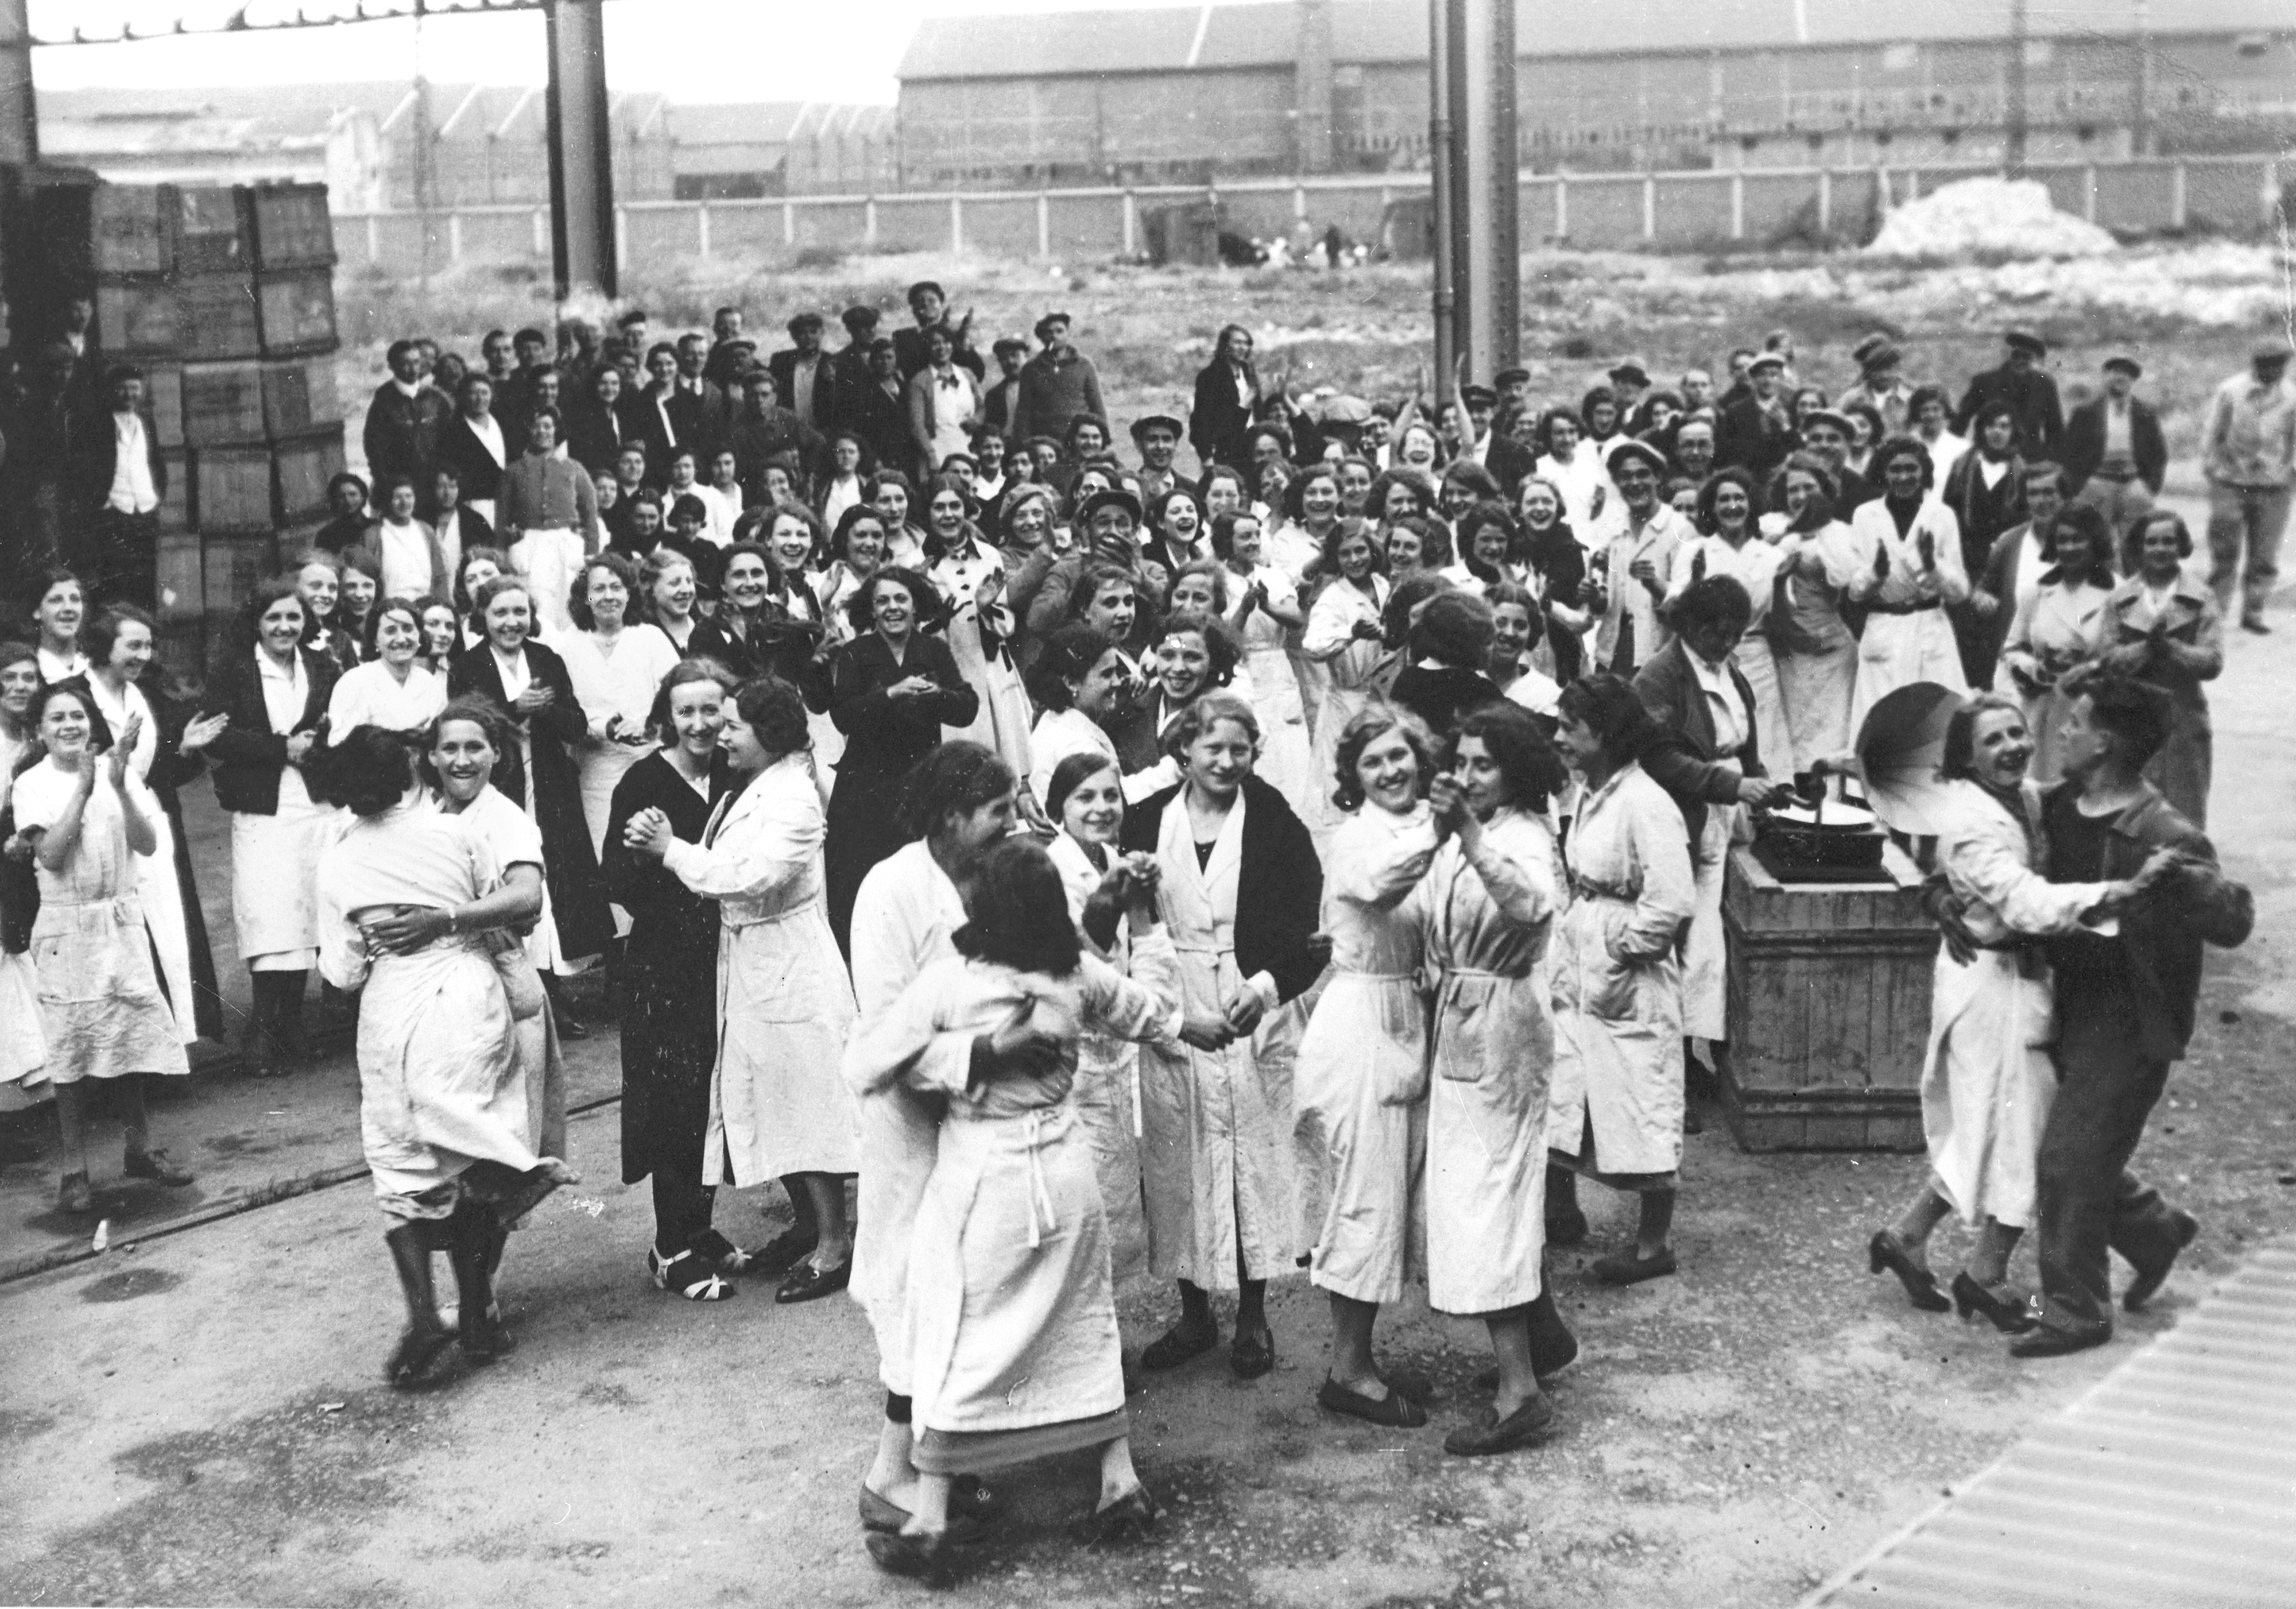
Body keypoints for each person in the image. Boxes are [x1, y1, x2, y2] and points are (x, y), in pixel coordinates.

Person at [846, 837, 1175, 1581]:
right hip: (1066, 1172)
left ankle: (929, 1516)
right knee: (1086, 1319)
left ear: (978, 906)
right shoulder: (1073, 973)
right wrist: (1199, 1019)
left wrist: (976, 1052)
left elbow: (865, 1063)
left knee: (955, 1329)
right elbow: (1148, 1011)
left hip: (987, 1179)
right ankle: (1118, 1481)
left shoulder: (947, 986)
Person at [1867, 695, 2152, 1330]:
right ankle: (1986, 1274)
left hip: (2007, 977)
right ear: (1965, 760)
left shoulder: (2017, 796)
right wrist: (2117, 894)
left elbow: (2047, 797)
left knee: (1985, 1125)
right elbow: (2024, 905)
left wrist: (1936, 890)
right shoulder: (1970, 820)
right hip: (1990, 985)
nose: (2012, 747)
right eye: (1992, 741)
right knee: (2027, 1132)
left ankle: (1907, 1237)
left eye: (2017, 733)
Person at [315, 726, 576, 1386]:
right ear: (409, 772)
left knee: (400, 1155)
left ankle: (426, 1313)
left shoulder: (338, 857)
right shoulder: (455, 834)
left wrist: (378, 939)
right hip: (467, 996)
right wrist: (449, 916)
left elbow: (342, 971)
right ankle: (480, 1312)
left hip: (394, 1004)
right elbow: (511, 915)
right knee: (468, 1152)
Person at [2005, 673, 2252, 1357]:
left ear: (2104, 743)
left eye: (2074, 722)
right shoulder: (2054, 806)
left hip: (2129, 1020)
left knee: (2066, 1158)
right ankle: (2155, 1229)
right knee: (2070, 1147)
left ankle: (2076, 1308)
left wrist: (2191, 886)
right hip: (2064, 1003)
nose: (2060, 730)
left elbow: (2234, 921)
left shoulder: (2165, 832)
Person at [623, 674, 861, 1303]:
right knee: (775, 1098)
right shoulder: (755, 785)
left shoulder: (796, 797)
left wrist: (669, 848)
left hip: (787, 962)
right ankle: (810, 1229)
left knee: (809, 1102)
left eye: (732, 725)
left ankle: (834, 1246)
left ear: (769, 733)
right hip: (752, 961)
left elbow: (752, 876)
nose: (720, 735)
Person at [1123, 693, 1324, 1382]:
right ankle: (1193, 1311)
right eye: (1214, 748)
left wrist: (1265, 985)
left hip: (1248, 1000)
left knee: (1252, 1155)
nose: (1228, 760)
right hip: (1172, 999)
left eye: (1240, 748)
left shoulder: (1272, 821)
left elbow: (1308, 926)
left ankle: (1254, 1314)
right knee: (1178, 1156)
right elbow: (1120, 915)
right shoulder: (1147, 819)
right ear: (1183, 750)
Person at [844, 741, 1017, 1541]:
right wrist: (980, 1057)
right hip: (912, 1120)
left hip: (978, 1117)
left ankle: (947, 1461)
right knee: (914, 1292)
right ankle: (890, 1476)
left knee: (966, 1291)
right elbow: (887, 1035)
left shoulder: (993, 879)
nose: (1010, 826)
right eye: (998, 813)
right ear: (952, 815)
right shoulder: (890, 890)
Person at [1420, 701, 1575, 1453]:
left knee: (1489, 1197)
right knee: (1489, 1189)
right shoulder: (1472, 835)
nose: (1468, 775)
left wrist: (1472, 836)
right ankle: (1540, 1342)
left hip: (1503, 1022)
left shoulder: (1521, 837)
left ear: (1515, 770)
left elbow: (1530, 903)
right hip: (1468, 1013)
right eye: (1463, 761)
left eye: (1484, 764)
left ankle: (1520, 1391)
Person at [602, 658, 769, 1301]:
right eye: (687, 712)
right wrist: (674, 872)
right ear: (666, 718)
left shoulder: (736, 773)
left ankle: (698, 1228)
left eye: (713, 711)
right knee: (673, 1097)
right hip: (666, 965)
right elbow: (616, 877)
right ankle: (669, 1245)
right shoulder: (644, 779)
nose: (701, 724)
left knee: (715, 1095)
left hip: (729, 955)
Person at [1295, 705, 1439, 1428]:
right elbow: (1382, 885)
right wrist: (1451, 827)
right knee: (1363, 1194)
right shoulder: (1352, 838)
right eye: (1374, 762)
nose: (1390, 770)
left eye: (1400, 755)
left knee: (1391, 1192)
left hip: (1405, 1016)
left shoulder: (1425, 830)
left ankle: (1359, 1357)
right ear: (1353, 777)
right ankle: (1347, 1369)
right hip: (1358, 1023)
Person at [13, 680, 196, 1213]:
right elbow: (49, 853)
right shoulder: (32, 783)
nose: (70, 726)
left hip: (121, 920)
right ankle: (75, 1169)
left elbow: (147, 843)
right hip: (67, 930)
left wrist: (116, 785)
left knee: (130, 1036)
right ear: (40, 732)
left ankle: (139, 1147)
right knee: (71, 1051)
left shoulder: (120, 772)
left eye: (78, 716)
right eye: (57, 719)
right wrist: (84, 787)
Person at [1546, 677, 1698, 1283]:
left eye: (1568, 726)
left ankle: (1652, 1242)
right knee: (1570, 1083)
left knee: (1643, 1093)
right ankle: (1563, 1208)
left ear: (1603, 733)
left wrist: (1620, 945)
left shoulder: (1646, 801)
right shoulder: (1590, 791)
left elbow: (1670, 901)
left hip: (1626, 970)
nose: (1558, 737)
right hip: (1585, 952)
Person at [1633, 577, 1785, 1062]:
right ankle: (1674, 1060)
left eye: (1735, 634)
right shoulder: (1660, 677)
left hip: (1725, 813)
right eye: (1715, 633)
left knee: (1713, 942)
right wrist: (1733, 786)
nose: (1725, 643)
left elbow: (1747, 741)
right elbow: (1660, 757)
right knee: (1687, 941)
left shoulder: (1729, 671)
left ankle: (1708, 1051)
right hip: (1684, 815)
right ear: (1690, 626)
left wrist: (1759, 784)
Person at [446, 576, 616, 993]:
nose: (511, 622)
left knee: (554, 880)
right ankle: (515, 986)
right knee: (505, 876)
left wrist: (545, 710)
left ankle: (553, 992)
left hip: (549, 784)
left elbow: (576, 725)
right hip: (499, 786)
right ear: (483, 617)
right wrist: (512, 709)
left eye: (520, 612)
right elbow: (464, 726)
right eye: (501, 612)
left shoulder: (545, 657)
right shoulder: (468, 666)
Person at [200, 578, 342, 1076]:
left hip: (317, 806)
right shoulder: (236, 671)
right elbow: (217, 737)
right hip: (263, 808)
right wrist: (282, 748)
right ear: (257, 624)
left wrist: (317, 745)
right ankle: (262, 1025)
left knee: (308, 910)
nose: (285, 627)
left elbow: (338, 729)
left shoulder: (324, 666)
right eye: (274, 618)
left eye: (293, 617)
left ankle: (292, 1025)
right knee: (268, 912)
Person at [78, 605, 225, 1046]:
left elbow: (152, 772)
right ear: (105, 646)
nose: (144, 655)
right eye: (133, 645)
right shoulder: (79, 696)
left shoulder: (138, 696)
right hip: (98, 824)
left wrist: (180, 748)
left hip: (144, 819)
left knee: (160, 931)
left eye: (148, 645)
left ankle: (163, 1042)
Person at [820, 566, 981, 951]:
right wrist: (890, 695)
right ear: (870, 610)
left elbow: (966, 707)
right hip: (865, 786)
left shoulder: (934, 649)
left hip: (920, 782)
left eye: (900, 599)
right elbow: (842, 714)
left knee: (920, 879)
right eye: (882, 601)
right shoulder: (856, 652)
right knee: (859, 879)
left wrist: (936, 696)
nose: (892, 608)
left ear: (916, 605)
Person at [2101, 511, 2222, 828]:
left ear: (2181, 546)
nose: (2160, 549)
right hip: (2130, 716)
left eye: (2169, 541)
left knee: (2186, 812)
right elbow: (2107, 657)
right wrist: (2145, 648)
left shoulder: (2200, 596)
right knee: (2131, 813)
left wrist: (2173, 649)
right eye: (2151, 542)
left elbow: (2212, 661)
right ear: (2139, 548)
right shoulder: (2120, 599)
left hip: (2183, 713)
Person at [1845, 437, 1971, 737]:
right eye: (1895, 469)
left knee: (1937, 724)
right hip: (1884, 627)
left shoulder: (1941, 515)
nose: (1903, 477)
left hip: (1930, 626)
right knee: (1881, 725)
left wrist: (1932, 566)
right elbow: (1854, 591)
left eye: (1911, 469)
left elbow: (1960, 592)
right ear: (1883, 473)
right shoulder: (1865, 515)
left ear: (1924, 471)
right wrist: (1876, 574)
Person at [559, 553, 681, 861]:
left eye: (617, 587)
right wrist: (604, 728)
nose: (609, 596)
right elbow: (562, 713)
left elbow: (679, 700)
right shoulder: (567, 646)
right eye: (599, 589)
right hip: (596, 773)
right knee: (608, 858)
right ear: (585, 596)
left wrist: (650, 726)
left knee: (654, 855)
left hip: (651, 763)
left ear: (629, 593)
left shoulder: (651, 638)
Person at [1996, 504, 2115, 787]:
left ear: (2095, 543)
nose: (2069, 547)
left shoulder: (2116, 594)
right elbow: (2012, 647)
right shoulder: (2035, 593)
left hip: (2093, 708)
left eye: (2078, 539)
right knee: (2041, 785)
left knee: (2087, 785)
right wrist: (2031, 669)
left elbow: (2122, 654)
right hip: (2042, 708)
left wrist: (2091, 670)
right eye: (2062, 540)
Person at [1209, 508, 1311, 809]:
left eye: (1256, 535)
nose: (1254, 542)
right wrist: (1244, 608)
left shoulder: (1272, 576)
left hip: (1278, 668)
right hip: (1240, 669)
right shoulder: (1217, 581)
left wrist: (1266, 606)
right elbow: (1223, 640)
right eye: (1245, 537)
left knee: (1290, 755)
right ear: (1228, 542)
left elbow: (1295, 618)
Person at [2198, 335, 2294, 634]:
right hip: (2231, 482)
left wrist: (2290, 472)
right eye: (2265, 365)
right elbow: (2212, 433)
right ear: (2254, 364)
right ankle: (2215, 614)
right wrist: (2213, 469)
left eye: (2278, 365)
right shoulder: (2231, 391)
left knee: (2265, 555)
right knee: (2224, 550)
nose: (2271, 371)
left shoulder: (2292, 398)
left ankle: (2254, 612)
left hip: (2273, 486)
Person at [1299, 520, 1391, 829]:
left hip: (1386, 698)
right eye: (1345, 554)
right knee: (1345, 784)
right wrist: (1350, 635)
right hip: (1348, 702)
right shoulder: (1333, 597)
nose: (1354, 560)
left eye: (1360, 551)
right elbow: (1312, 645)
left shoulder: (1384, 585)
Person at [1941, 402, 2030, 685]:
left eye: (2004, 426)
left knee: (1998, 636)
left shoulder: (2021, 471)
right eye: (1991, 426)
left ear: (2013, 431)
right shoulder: (1963, 466)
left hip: (2004, 564)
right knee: (1965, 636)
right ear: (1981, 430)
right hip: (1966, 562)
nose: (1997, 433)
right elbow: (1949, 516)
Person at [67, 364, 166, 608]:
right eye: (122, 389)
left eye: (134, 388)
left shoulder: (146, 422)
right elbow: (83, 468)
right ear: (112, 391)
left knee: (144, 576)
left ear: (142, 391)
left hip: (144, 510)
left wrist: (157, 493)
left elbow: (155, 462)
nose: (129, 394)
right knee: (114, 576)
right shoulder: (97, 424)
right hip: (112, 509)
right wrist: (97, 499)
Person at [1588, 439, 1690, 676]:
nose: (1634, 483)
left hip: (1659, 650)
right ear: (1616, 482)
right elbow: (1604, 601)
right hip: (1613, 649)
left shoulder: (1679, 529)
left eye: (1643, 474)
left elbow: (1686, 599)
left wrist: (1655, 585)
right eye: (1625, 476)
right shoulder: (1612, 529)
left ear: (1658, 478)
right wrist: (1596, 597)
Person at [2062, 356, 2166, 543]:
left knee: (2137, 545)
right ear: (2105, 376)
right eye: (2115, 372)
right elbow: (2068, 454)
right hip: (2097, 484)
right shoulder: (2085, 412)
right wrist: (2079, 488)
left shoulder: (2146, 413)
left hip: (2134, 486)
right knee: (2095, 544)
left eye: (2126, 374)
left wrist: (2150, 488)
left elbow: (2158, 455)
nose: (2120, 377)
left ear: (2133, 380)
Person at [327, 596, 449, 745]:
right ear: (375, 640)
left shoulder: (429, 683)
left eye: (408, 629)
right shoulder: (354, 682)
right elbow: (338, 744)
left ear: (419, 636)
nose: (401, 639)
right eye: (390, 631)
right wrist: (400, 739)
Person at [1387, 590, 1503, 737]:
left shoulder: (1407, 679)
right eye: (1487, 641)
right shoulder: (1479, 689)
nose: (1493, 648)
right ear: (1471, 643)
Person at [1954, 329, 2064, 463]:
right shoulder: (1984, 382)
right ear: (2007, 354)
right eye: (2016, 355)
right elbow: (1960, 422)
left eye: (2027, 357)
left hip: (2030, 461)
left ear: (2034, 358)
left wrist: (2053, 462)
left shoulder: (2045, 384)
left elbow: (2055, 431)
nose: (2021, 361)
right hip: (1989, 459)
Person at [364, 339, 452, 495]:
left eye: (416, 362)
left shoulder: (436, 399)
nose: (413, 369)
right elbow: (374, 449)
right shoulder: (384, 402)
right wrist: (385, 483)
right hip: (400, 488)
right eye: (405, 363)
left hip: (433, 486)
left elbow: (450, 440)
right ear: (392, 366)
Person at [1011, 313, 1106, 448]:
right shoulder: (1031, 369)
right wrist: (1023, 445)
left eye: (1059, 331)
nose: (1054, 336)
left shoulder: (1084, 365)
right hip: (1045, 443)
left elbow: (1097, 408)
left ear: (1068, 333)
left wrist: (1104, 441)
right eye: (1049, 333)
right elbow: (1024, 412)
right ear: (1042, 338)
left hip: (1079, 442)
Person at [360, 475, 454, 603]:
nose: (404, 502)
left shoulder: (426, 531)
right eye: (398, 497)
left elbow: (439, 576)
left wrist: (444, 606)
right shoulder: (374, 535)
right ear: (388, 501)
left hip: (425, 605)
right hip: (389, 605)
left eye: (409, 496)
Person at [441, 373, 510, 530]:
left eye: (485, 393)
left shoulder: (504, 425)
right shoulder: (454, 433)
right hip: (475, 506)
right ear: (464, 397)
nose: (480, 399)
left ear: (492, 395)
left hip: (508, 506)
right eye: (473, 393)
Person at [1715, 352, 1795, 485]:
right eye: (1762, 375)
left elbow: (1797, 447)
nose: (1768, 381)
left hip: (1784, 481)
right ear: (1753, 378)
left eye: (1774, 375)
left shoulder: (1791, 407)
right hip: (1749, 481)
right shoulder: (1736, 411)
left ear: (1781, 378)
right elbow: (1726, 451)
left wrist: (1786, 426)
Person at [1192, 325, 1265, 472]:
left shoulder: (1249, 373)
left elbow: (1259, 412)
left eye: (1246, 343)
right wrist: (1206, 457)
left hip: (1252, 447)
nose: (1242, 347)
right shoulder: (1210, 376)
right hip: (1225, 450)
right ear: (1225, 345)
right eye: (1237, 342)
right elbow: (1201, 419)